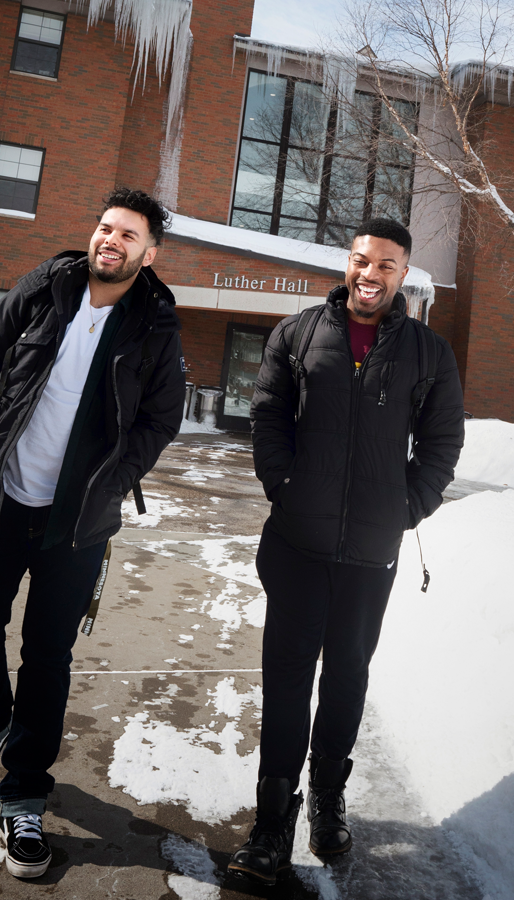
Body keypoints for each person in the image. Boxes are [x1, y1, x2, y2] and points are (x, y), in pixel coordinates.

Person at [0, 187, 185, 879]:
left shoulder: (156, 325)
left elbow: (160, 421)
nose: (110, 239)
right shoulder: (45, 287)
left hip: (73, 527)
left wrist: (111, 481)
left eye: (128, 234)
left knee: (47, 659)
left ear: (150, 253)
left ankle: (23, 791)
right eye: (105, 226)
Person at [228, 218, 464, 885]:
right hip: (298, 546)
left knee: (346, 681)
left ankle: (327, 800)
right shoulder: (298, 333)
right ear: (347, 263)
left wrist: (404, 508)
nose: (370, 274)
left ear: (403, 274)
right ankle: (272, 820)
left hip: (368, 557)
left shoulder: (428, 353)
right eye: (362, 261)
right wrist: (282, 484)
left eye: (385, 265)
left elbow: (442, 446)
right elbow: (268, 413)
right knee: (287, 682)